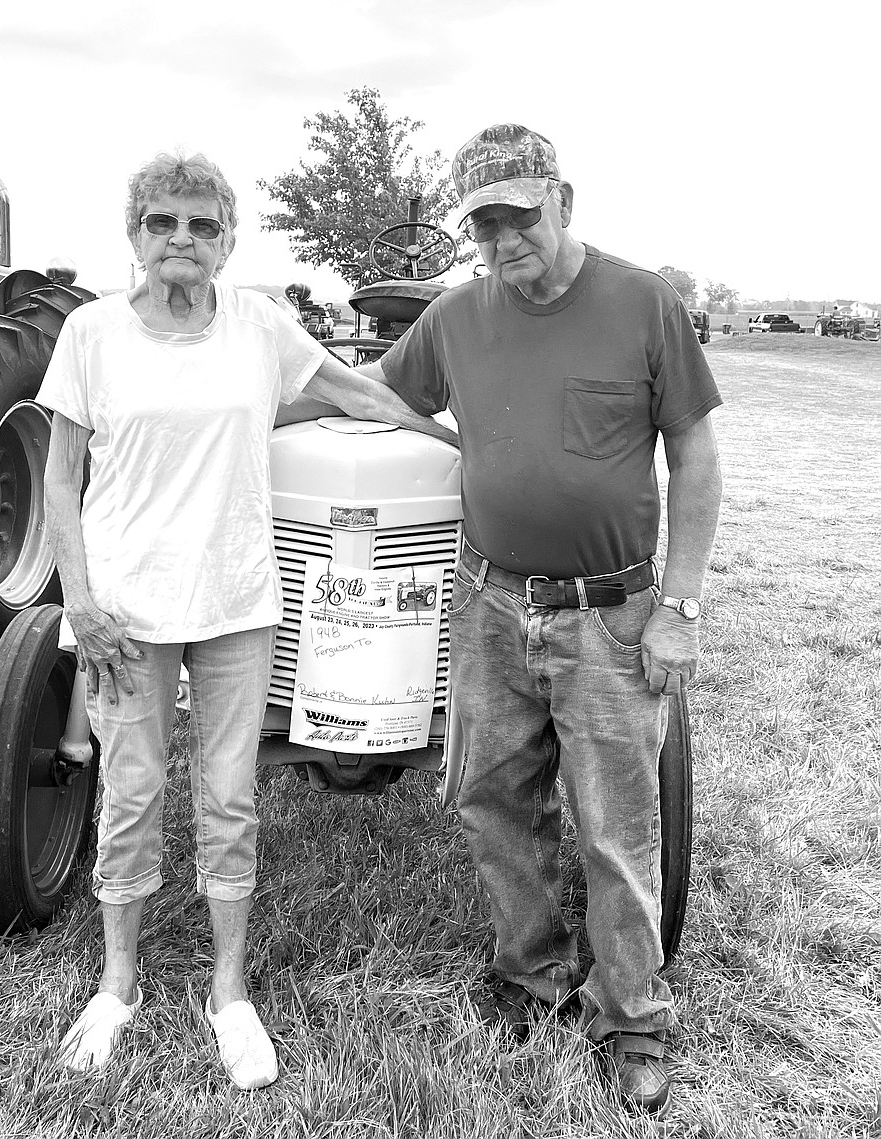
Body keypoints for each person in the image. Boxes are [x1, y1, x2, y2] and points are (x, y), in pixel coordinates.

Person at [37, 151, 455, 1088]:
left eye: (201, 225)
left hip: (236, 601)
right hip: (130, 608)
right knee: (132, 792)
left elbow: (355, 392)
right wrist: (80, 597)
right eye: (162, 223)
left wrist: (445, 440)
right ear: (135, 235)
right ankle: (118, 983)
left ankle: (229, 992)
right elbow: (61, 480)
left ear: (228, 242)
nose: (180, 239)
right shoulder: (90, 333)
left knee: (229, 795)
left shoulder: (260, 325)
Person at [367, 124, 723, 1117]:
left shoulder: (642, 302)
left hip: (610, 614)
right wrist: (247, 391)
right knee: (493, 799)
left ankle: (633, 1019)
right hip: (486, 600)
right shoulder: (453, 318)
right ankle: (530, 977)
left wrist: (678, 606)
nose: (498, 238)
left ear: (561, 198)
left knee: (616, 826)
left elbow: (694, 459)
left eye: (516, 214)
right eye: (479, 222)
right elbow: (368, 391)